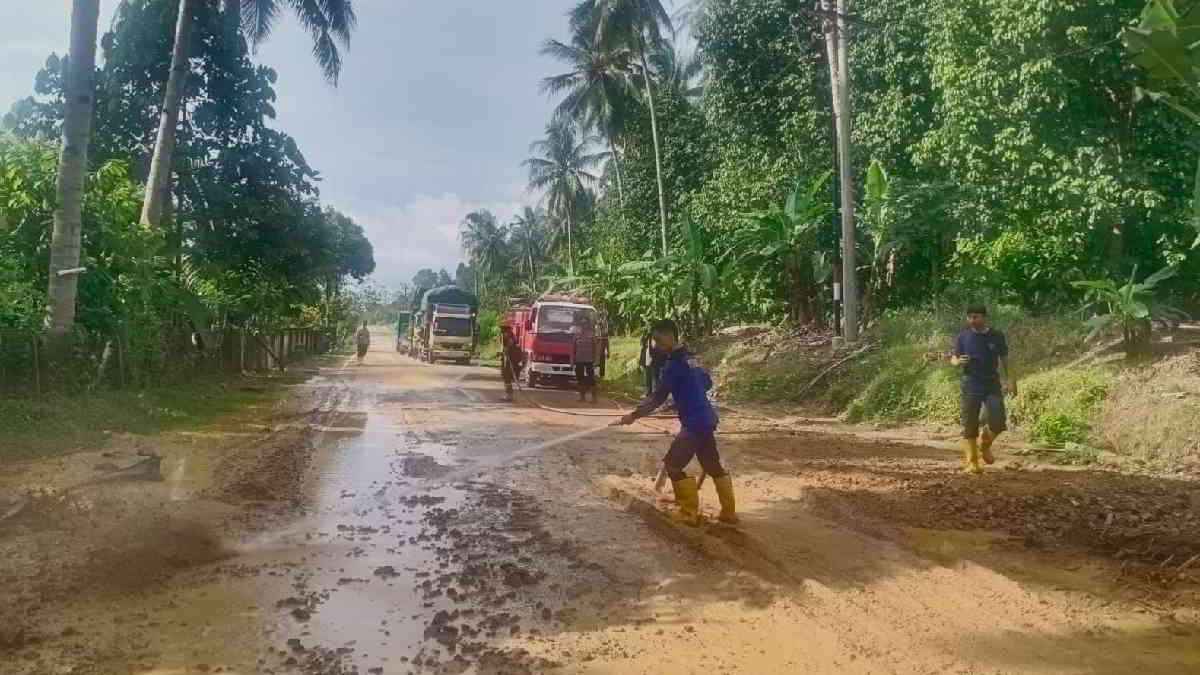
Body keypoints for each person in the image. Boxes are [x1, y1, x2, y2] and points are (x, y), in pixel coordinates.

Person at [616, 319, 735, 525]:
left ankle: (689, 514)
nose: (656, 346)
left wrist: (634, 415)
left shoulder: (673, 365)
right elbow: (706, 383)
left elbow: (657, 397)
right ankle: (728, 513)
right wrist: (686, 396)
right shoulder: (691, 358)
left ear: (671, 336)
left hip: (695, 423)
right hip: (706, 418)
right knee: (712, 465)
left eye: (659, 340)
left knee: (672, 465)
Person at [951, 304, 1016, 473]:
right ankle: (972, 462)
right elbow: (954, 358)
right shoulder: (963, 337)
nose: (972, 320)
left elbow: (1005, 359)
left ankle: (983, 444)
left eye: (976, 316)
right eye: (970, 316)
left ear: (985, 317)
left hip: (992, 384)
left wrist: (1011, 379)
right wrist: (958, 362)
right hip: (970, 383)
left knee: (998, 421)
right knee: (970, 423)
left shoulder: (996, 336)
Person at [573, 315, 598, 403]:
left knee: (591, 379)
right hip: (579, 360)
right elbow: (573, 349)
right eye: (583, 324)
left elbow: (596, 349)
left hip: (589, 360)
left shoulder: (592, 335)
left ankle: (594, 398)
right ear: (581, 325)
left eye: (586, 324)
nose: (584, 325)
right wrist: (572, 361)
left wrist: (596, 360)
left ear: (588, 324)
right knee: (580, 378)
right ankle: (582, 397)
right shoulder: (577, 335)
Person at [639, 329, 666, 397]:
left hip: (655, 361)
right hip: (647, 361)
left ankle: (658, 393)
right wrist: (641, 363)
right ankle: (649, 392)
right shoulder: (646, 343)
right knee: (648, 377)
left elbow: (658, 350)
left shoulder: (657, 341)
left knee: (656, 377)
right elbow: (642, 350)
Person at [500, 325, 524, 402]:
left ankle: (509, 395)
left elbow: (510, 344)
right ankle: (509, 395)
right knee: (507, 377)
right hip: (512, 359)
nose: (502, 332)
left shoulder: (509, 335)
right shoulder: (512, 335)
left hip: (510, 360)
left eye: (502, 329)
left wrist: (507, 349)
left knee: (507, 377)